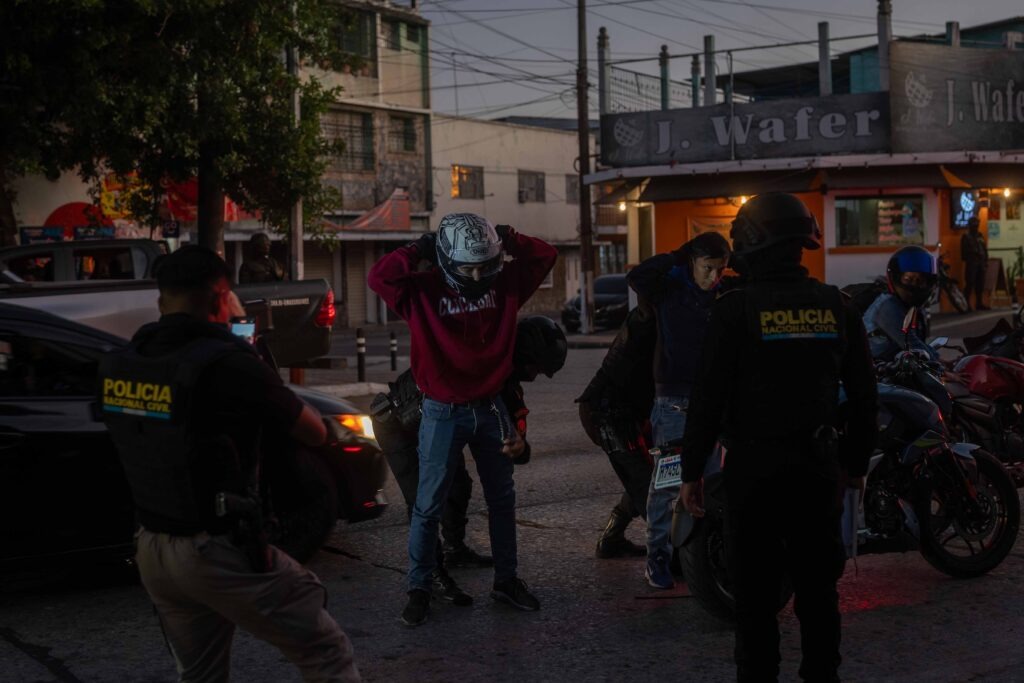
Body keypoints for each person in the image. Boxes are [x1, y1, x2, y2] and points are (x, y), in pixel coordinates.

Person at [98, 246, 360, 682]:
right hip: (215, 548)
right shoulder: (229, 363)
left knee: (200, 675)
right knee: (326, 652)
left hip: (152, 546)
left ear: (161, 301)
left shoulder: (126, 361)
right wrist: (246, 351)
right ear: (222, 297)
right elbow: (313, 431)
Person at [679, 193, 878, 682]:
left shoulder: (734, 310)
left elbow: (706, 400)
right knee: (818, 592)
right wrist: (855, 466)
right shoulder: (837, 306)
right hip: (817, 471)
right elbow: (864, 396)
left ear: (750, 243)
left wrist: (691, 473)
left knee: (755, 600)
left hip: (754, 474)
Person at [367, 213, 557, 627]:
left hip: (490, 407)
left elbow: (545, 255)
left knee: (502, 500)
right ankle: (419, 587)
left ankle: (506, 581)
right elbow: (379, 276)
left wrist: (508, 236)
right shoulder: (422, 292)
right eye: (467, 268)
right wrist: (418, 248)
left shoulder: (505, 284)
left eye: (485, 266)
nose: (476, 276)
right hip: (441, 410)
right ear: (445, 260)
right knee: (428, 505)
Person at [369, 316, 567, 604]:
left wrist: (519, 446)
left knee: (459, 486)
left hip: (431, 426)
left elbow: (516, 450)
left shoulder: (503, 384)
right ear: (524, 354)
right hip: (397, 426)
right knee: (423, 499)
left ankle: (455, 549)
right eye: (535, 368)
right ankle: (432, 574)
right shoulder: (481, 366)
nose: (535, 376)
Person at [626, 231, 730, 589]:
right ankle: (657, 556)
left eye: (720, 269)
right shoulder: (669, 288)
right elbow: (637, 276)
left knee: (712, 485)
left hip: (713, 403)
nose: (713, 276)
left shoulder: (724, 296)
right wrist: (678, 253)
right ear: (692, 263)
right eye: (707, 268)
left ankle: (699, 557)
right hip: (673, 403)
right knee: (668, 484)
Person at [577, 302, 657, 559]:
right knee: (645, 483)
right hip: (610, 414)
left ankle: (613, 536)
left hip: (621, 411)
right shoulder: (650, 320)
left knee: (652, 476)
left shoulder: (652, 317)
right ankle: (667, 552)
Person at [862, 245, 939, 362]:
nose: (914, 285)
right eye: (908, 279)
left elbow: (919, 345)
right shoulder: (888, 307)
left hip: (895, 365)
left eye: (920, 280)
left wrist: (941, 361)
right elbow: (912, 344)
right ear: (896, 278)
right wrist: (941, 367)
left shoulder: (912, 309)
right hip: (875, 368)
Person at [961, 217, 989, 310]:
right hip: (972, 263)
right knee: (970, 284)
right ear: (970, 225)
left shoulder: (980, 235)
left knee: (980, 284)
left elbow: (984, 248)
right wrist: (973, 255)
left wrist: (986, 260)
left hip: (981, 262)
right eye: (974, 225)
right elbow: (964, 252)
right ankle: (966, 304)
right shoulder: (966, 236)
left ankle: (979, 303)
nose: (976, 227)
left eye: (977, 225)